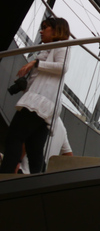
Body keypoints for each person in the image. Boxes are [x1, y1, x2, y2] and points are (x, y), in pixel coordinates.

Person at [1, 17, 70, 174]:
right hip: (45, 106)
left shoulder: (62, 47)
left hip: (39, 103)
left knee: (14, 137)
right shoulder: (48, 51)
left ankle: (5, 176)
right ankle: (37, 182)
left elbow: (63, 66)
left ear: (55, 30)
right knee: (34, 149)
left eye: (45, 27)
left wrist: (37, 64)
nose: (41, 31)